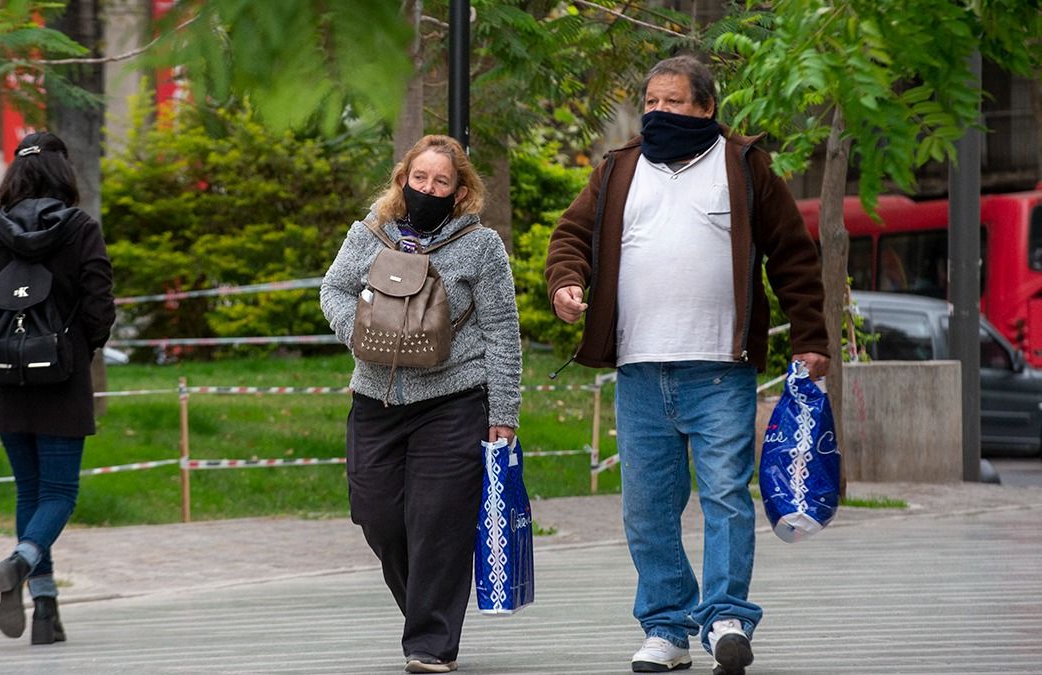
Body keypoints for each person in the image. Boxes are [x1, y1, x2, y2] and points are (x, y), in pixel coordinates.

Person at [545, 55, 830, 675]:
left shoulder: (743, 165)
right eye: (651, 102)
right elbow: (570, 235)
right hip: (640, 370)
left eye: (673, 102)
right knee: (646, 507)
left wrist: (811, 336)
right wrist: (568, 282)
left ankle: (726, 617)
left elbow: (793, 256)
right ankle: (667, 629)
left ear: (706, 108)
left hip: (719, 371)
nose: (658, 113)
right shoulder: (619, 169)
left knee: (726, 494)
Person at [320, 135, 522, 674]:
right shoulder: (370, 234)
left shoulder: (482, 247)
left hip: (453, 399)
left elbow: (502, 331)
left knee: (437, 521)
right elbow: (333, 290)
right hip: (375, 399)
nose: (427, 189)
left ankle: (430, 643)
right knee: (377, 515)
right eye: (419, 179)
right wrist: (357, 332)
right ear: (402, 179)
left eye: (440, 182)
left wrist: (503, 414)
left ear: (460, 193)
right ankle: (427, 609)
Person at [0, 131, 115, 645]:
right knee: (59, 493)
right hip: (63, 376)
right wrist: (75, 351)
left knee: (29, 492)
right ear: (62, 174)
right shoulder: (81, 230)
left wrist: (6, 351)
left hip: (6, 380)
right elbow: (99, 307)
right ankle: (21, 562)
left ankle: (45, 611)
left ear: (15, 176)